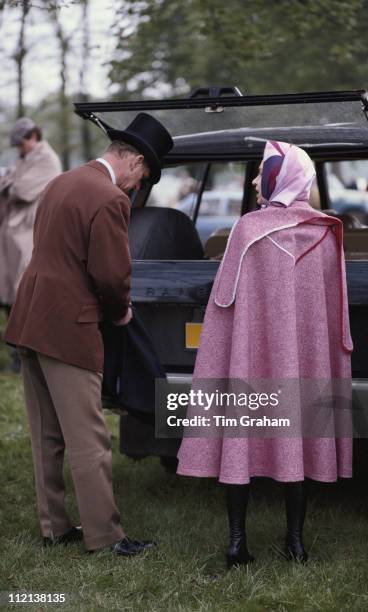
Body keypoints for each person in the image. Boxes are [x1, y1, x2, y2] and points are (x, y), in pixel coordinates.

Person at [176, 140, 353, 568]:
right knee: (301, 435)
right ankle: (295, 542)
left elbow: (224, 305)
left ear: (280, 177)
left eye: (262, 171)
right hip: (303, 362)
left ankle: (238, 543)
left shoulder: (247, 230)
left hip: (249, 359)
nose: (256, 179)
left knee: (242, 438)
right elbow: (331, 314)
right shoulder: (327, 234)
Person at [4, 112, 173, 556]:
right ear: (134, 162)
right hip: (69, 328)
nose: (138, 189)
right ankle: (105, 537)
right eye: (144, 178)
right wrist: (121, 314)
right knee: (89, 439)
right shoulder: (109, 199)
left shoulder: (62, 181)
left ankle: (54, 527)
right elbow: (112, 277)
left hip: (30, 320)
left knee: (46, 435)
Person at [0, 118, 61, 308]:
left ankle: (22, 332)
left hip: (29, 227)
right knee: (8, 283)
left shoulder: (47, 160)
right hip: (13, 226)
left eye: (21, 143)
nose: (19, 148)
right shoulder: (24, 158)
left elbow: (21, 190)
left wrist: (8, 184)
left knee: (23, 285)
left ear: (33, 136)